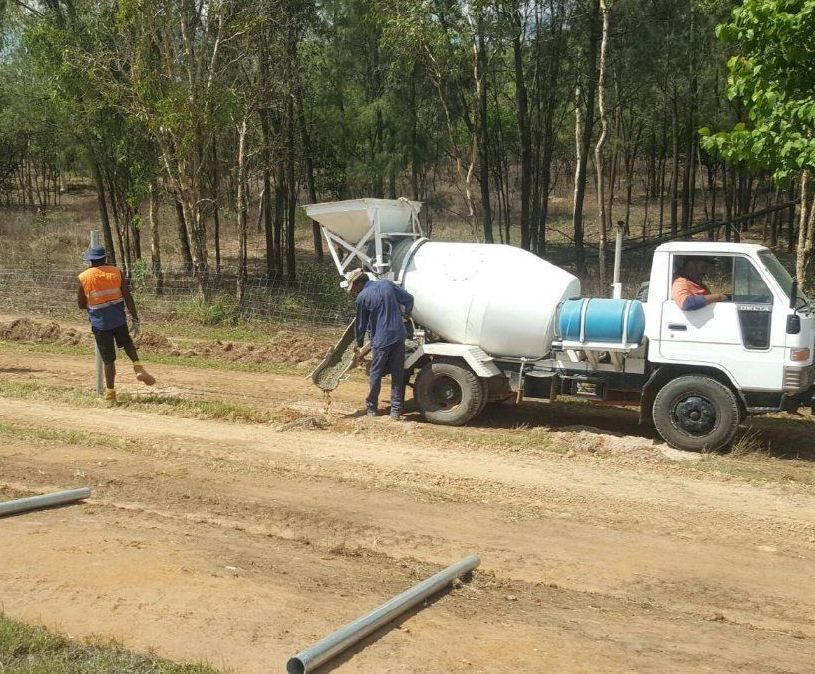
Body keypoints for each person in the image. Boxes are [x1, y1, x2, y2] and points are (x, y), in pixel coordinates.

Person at [77, 245, 155, 402]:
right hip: (118, 319)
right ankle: (137, 366)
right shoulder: (116, 272)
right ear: (105, 258)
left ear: (91, 261)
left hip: (100, 324)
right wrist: (135, 317)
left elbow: (80, 304)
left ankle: (111, 394)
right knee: (127, 343)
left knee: (109, 360)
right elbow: (127, 296)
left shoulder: (83, 277)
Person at [347, 268, 414, 420]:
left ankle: (371, 408)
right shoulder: (387, 285)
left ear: (358, 283)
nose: (355, 291)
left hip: (382, 340)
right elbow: (409, 299)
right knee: (397, 373)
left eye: (354, 288)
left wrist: (358, 343)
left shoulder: (362, 297)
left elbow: (361, 324)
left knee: (375, 373)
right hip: (398, 335)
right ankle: (396, 411)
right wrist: (406, 314)